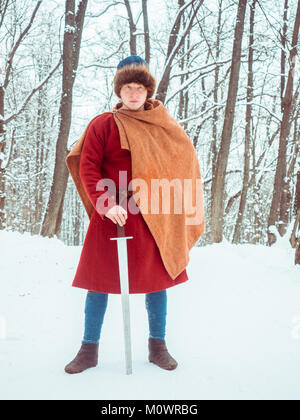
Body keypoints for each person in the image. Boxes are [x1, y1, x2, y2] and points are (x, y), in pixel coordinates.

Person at [64, 55, 205, 374]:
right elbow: (88, 166)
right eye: (126, 87)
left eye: (138, 87)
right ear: (119, 90)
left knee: (157, 281)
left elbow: (181, 163)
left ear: (147, 91)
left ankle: (158, 347)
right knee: (97, 282)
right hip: (111, 213)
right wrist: (105, 203)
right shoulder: (103, 124)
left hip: (151, 214)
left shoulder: (163, 125)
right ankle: (88, 350)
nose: (132, 93)